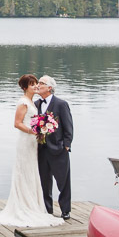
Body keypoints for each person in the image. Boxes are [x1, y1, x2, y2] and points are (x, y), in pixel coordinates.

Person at [0, 74, 66, 228]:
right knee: (24, 171)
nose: (36, 86)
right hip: (26, 142)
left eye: (36, 84)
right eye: (32, 84)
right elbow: (17, 123)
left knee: (32, 172)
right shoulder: (23, 102)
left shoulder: (34, 102)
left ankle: (32, 204)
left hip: (34, 144)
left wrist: (42, 129)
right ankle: (22, 204)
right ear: (25, 87)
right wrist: (33, 131)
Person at [35, 75, 73, 220]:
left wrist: (67, 146)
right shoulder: (36, 104)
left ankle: (65, 210)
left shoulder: (61, 104)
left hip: (59, 150)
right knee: (44, 181)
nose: (38, 85)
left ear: (50, 88)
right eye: (38, 82)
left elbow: (68, 127)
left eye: (41, 83)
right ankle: (47, 208)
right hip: (41, 150)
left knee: (63, 181)